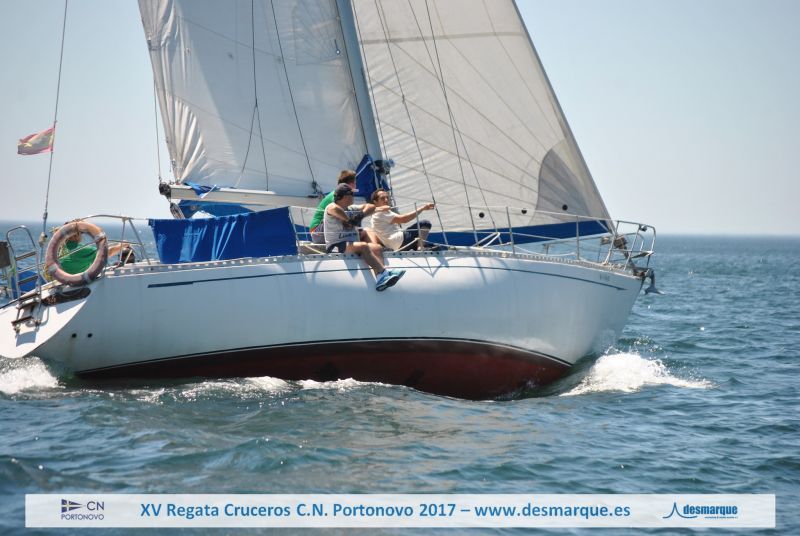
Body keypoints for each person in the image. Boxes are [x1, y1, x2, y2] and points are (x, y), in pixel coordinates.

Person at [324, 184, 405, 291]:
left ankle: (380, 278)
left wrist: (360, 216)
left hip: (351, 245)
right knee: (364, 246)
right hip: (336, 245)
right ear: (345, 196)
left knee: (377, 247)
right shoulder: (331, 206)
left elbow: (371, 206)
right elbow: (335, 209)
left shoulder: (351, 208)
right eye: (352, 194)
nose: (353, 197)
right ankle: (384, 272)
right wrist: (348, 220)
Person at [369, 189, 435, 251]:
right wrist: (422, 208)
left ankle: (419, 246)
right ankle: (420, 248)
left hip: (396, 245)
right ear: (375, 202)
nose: (386, 200)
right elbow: (404, 219)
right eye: (382, 198)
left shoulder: (378, 214)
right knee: (425, 223)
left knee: (424, 240)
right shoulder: (380, 213)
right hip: (400, 241)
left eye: (387, 198)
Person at [309, 170, 356, 244]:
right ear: (351, 184)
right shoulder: (336, 196)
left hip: (321, 232)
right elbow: (336, 211)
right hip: (317, 232)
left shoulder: (339, 195)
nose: (356, 186)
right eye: (355, 183)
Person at [59, 227, 131, 275]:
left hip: (62, 282)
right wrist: (122, 245)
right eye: (80, 233)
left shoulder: (61, 248)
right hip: (78, 285)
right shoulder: (81, 249)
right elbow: (106, 253)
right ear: (76, 235)